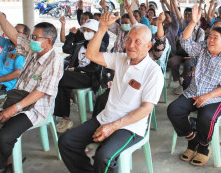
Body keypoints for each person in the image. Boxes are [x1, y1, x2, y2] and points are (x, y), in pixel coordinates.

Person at [58, 14, 164, 173]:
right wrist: (102, 28)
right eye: (128, 40)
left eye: (137, 42)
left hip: (130, 127)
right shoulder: (120, 59)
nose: (131, 45)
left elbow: (146, 109)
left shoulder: (153, 72)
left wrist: (113, 127)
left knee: (104, 157)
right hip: (105, 117)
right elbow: (91, 55)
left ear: (148, 46)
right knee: (66, 141)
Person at [0, 0, 64, 173]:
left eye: (36, 38)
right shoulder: (32, 48)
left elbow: (41, 92)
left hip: (35, 107)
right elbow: (12, 34)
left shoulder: (55, 62)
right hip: (15, 98)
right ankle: (1, 157)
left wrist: (13, 109)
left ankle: (0, 167)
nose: (32, 40)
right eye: (32, 36)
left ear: (49, 42)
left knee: (4, 136)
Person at [167, 5, 221, 166]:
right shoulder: (202, 50)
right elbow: (185, 41)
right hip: (193, 93)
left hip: (215, 98)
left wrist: (207, 96)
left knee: (206, 118)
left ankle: (204, 147)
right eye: (209, 36)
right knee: (173, 110)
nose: (210, 40)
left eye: (215, 38)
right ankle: (192, 140)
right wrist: (193, 22)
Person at [54, 19, 102, 133]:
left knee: (61, 76)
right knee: (62, 83)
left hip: (90, 77)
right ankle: (66, 119)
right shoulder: (81, 44)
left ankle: (64, 112)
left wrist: (77, 69)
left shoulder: (101, 46)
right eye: (84, 30)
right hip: (77, 76)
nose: (86, 32)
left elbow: (95, 68)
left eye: (89, 30)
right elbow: (66, 49)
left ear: (96, 32)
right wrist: (71, 35)